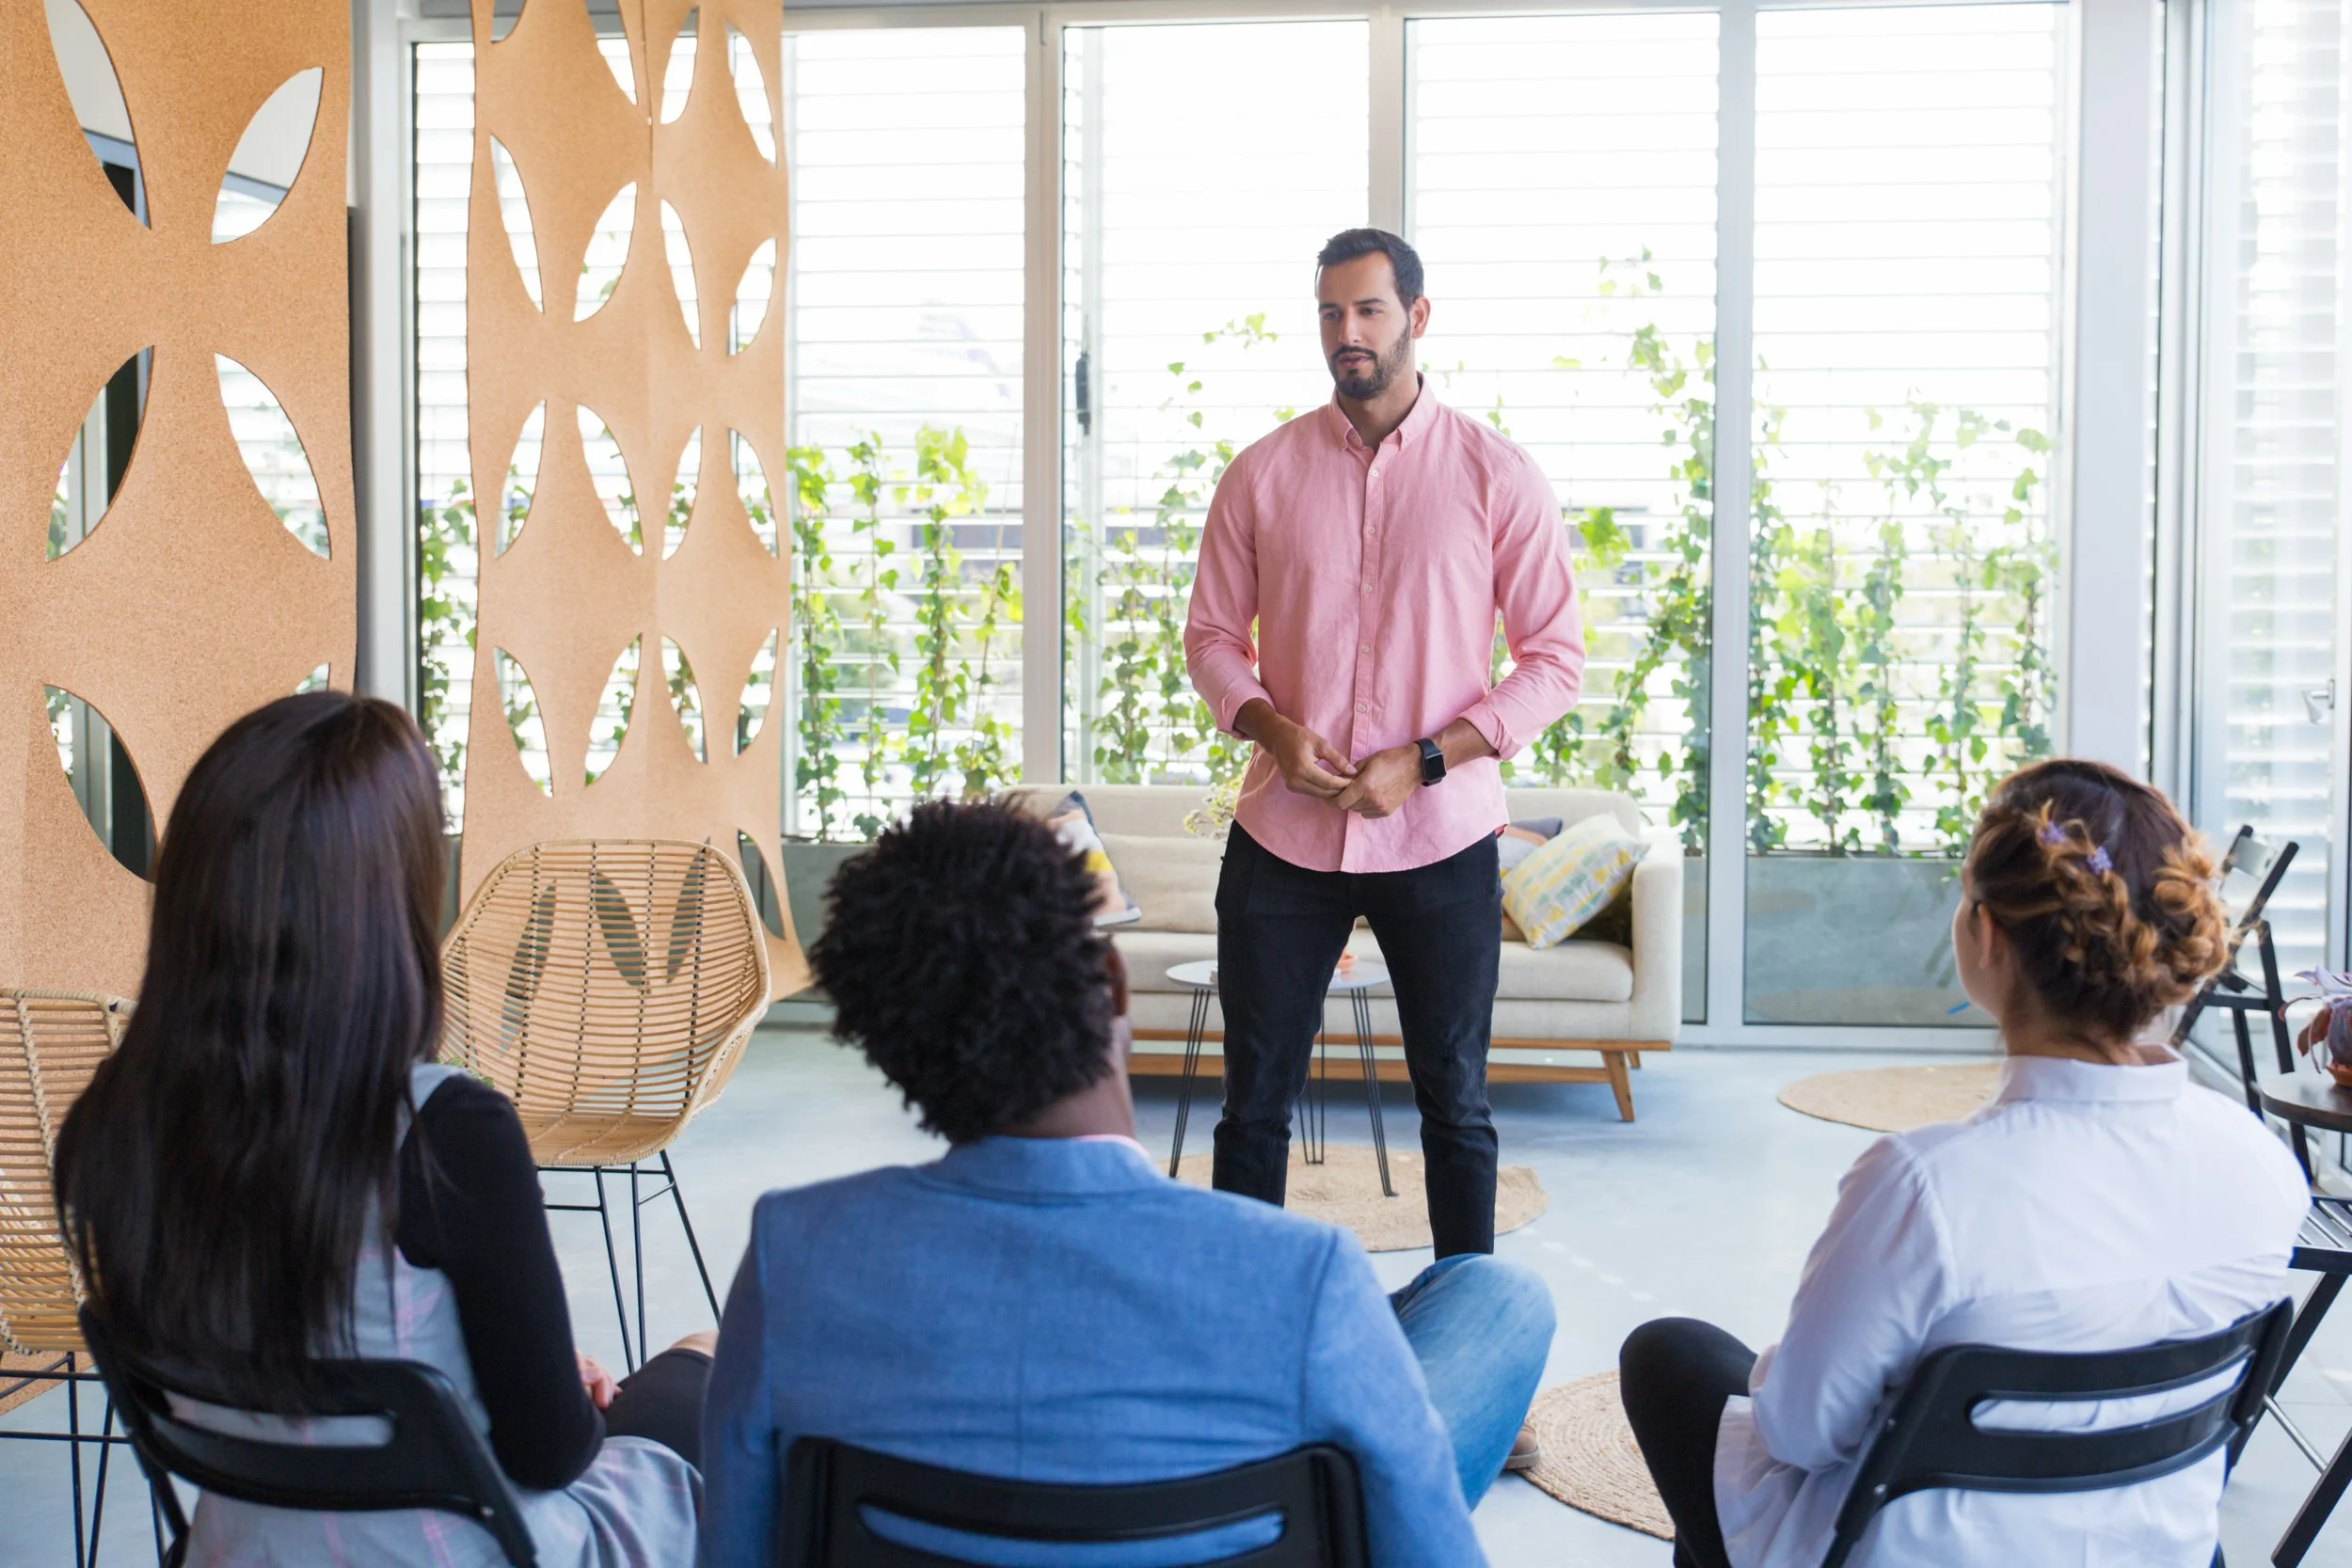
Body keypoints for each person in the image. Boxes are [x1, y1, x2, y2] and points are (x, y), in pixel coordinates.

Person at [700, 801, 1556, 1568]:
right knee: (1493, 1293)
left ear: (887, 1047)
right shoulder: (1300, 1271)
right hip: (1296, 1363)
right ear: (1113, 985)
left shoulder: (795, 1256)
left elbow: (739, 1548)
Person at [55, 693, 711, 1568]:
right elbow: (550, 1453)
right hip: (468, 1552)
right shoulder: (448, 1132)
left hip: (240, 1552)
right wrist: (557, 1391)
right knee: (712, 1358)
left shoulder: (109, 1122)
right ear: (388, 900)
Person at [1616, 759, 2310, 1568]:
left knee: (1671, 1355)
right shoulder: (2264, 1167)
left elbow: (1799, 1432)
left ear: (1987, 934)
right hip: (2159, 1551)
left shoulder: (1925, 1184)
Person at [1183, 226, 1585, 1265]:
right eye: (1329, 312)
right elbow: (1212, 638)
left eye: (1366, 309)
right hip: (1283, 834)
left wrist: (1430, 755)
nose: (1346, 332)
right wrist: (1269, 724)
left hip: (1442, 836)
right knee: (1252, 1105)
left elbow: (1553, 661)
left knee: (1455, 1102)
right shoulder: (1261, 475)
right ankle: (1249, 1355)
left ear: (1416, 316)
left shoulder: (1497, 474)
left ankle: (1472, 1345)